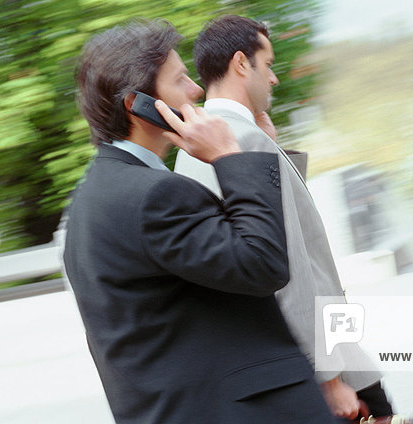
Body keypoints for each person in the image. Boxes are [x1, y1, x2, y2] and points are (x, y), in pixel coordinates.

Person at [63, 19, 338, 424]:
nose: (195, 90)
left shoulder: (96, 197)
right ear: (137, 104)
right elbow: (263, 265)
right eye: (180, 80)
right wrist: (230, 158)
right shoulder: (155, 195)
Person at [174, 15, 393, 421]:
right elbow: (289, 261)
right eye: (268, 63)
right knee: (384, 415)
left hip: (298, 345)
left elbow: (275, 222)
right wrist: (328, 378)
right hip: (319, 348)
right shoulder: (242, 140)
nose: (273, 78)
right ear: (242, 64)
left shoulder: (203, 144)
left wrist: (273, 149)